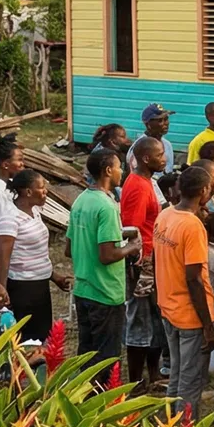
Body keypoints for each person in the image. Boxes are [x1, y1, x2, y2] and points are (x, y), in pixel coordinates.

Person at [156, 166, 214, 414]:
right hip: (190, 316)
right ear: (204, 191)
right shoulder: (192, 226)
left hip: (168, 308)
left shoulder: (165, 215)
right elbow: (194, 278)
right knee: (190, 382)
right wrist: (208, 326)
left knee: (177, 376)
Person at [71, 149, 140, 367]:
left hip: (83, 289)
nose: (122, 172)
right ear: (108, 171)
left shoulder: (80, 200)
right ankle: (102, 390)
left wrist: (119, 235)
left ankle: (84, 388)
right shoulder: (107, 207)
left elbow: (69, 248)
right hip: (105, 291)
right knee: (106, 358)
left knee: (86, 352)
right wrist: (132, 247)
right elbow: (107, 255)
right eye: (119, 167)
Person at [0, 168, 66, 342]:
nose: (45, 191)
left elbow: (35, 252)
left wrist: (53, 276)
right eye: (41, 187)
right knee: (26, 338)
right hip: (22, 286)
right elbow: (2, 258)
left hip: (39, 284)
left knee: (41, 336)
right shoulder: (10, 218)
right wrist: (1, 289)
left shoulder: (35, 212)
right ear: (28, 192)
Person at [122, 137, 168, 392]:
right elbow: (131, 229)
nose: (165, 158)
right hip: (143, 261)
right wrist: (138, 264)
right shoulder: (138, 186)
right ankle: (136, 381)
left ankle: (153, 373)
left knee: (154, 317)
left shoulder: (148, 182)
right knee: (140, 319)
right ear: (146, 158)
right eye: (160, 155)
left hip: (154, 258)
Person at [141, 103, 176, 169]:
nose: (166, 123)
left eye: (166, 119)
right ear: (148, 125)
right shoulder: (140, 147)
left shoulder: (167, 145)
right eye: (160, 120)